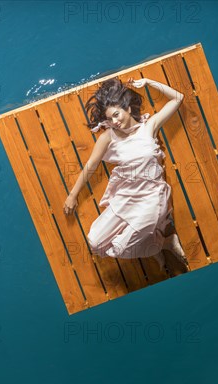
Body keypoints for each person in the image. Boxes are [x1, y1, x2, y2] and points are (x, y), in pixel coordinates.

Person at [63, 77, 187, 271]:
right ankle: (157, 245)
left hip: (151, 198)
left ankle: (165, 243)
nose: (114, 121)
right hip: (125, 198)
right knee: (95, 243)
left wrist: (148, 82)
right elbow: (91, 165)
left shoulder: (149, 127)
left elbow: (178, 98)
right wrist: (72, 195)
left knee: (120, 248)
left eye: (116, 114)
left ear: (127, 108)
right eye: (110, 119)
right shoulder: (108, 137)